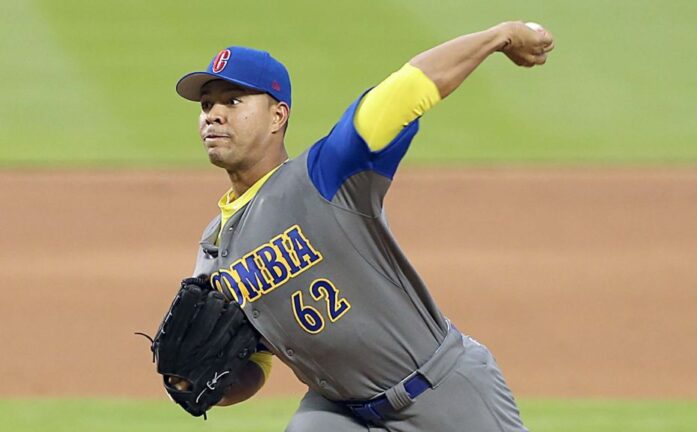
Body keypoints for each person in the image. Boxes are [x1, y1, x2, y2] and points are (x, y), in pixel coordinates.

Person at [175, 20, 554, 432]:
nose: (213, 115)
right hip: (339, 411)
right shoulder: (215, 247)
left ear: (277, 116)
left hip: (440, 390)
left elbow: (407, 88)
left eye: (233, 101)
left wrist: (503, 35)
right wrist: (199, 383)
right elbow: (255, 363)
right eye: (206, 104)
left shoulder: (325, 174)